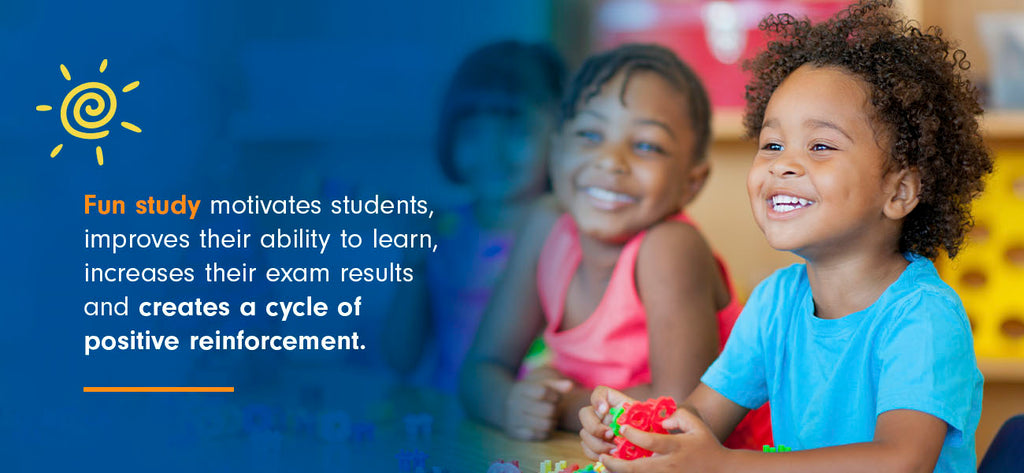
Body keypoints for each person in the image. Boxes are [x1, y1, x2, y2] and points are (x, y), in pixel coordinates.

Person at [579, 1, 992, 472]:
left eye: (820, 146)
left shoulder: (923, 316)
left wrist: (723, 465)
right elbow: (698, 420)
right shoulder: (773, 303)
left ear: (899, 191)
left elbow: (900, 462)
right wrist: (637, 430)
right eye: (772, 145)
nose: (783, 163)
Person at [460, 43, 770, 449]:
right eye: (590, 135)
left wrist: (561, 405)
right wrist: (511, 404)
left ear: (692, 181)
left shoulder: (670, 247)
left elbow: (678, 412)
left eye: (646, 146)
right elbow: (480, 371)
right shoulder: (546, 227)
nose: (611, 161)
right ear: (557, 150)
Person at [383, 40, 566, 391]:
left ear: (561, 133)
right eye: (473, 132)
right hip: (453, 429)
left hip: (531, 428)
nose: (492, 152)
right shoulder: (441, 233)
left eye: (516, 130)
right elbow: (400, 359)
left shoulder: (568, 233)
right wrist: (413, 265)